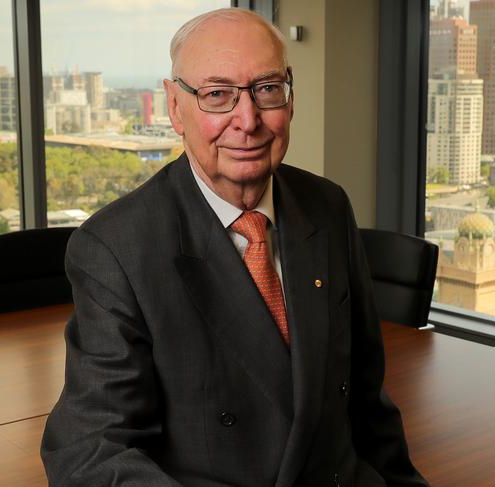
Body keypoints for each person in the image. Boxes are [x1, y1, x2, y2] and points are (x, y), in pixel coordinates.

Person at [41, 8, 428, 487]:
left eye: (266, 89)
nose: (247, 120)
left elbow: (367, 401)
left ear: (289, 94)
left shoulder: (327, 207)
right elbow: (90, 451)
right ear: (174, 107)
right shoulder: (116, 247)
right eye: (217, 95)